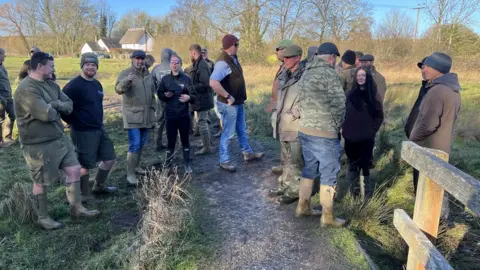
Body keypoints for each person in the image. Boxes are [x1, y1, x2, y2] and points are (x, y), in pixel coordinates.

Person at [14, 52, 100, 230]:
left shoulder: (50, 84)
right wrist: (55, 107)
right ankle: (43, 217)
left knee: (75, 169)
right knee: (41, 182)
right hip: (38, 144)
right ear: (40, 66)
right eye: (51, 66)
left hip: (59, 138)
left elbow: (68, 105)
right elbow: (46, 115)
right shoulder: (26, 90)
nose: (54, 69)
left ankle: (77, 208)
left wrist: (54, 104)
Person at [297, 42, 346, 228]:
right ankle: (327, 216)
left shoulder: (306, 72)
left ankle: (303, 206)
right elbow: (340, 104)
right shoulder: (329, 74)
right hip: (324, 133)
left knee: (309, 167)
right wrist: (337, 125)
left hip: (305, 130)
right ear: (332, 58)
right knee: (329, 171)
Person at [410, 52, 461, 220]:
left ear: (438, 69)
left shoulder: (437, 91)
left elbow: (428, 124)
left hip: (428, 149)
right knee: (436, 191)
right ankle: (439, 226)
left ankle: (425, 231)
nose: (423, 69)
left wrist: (412, 141)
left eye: (427, 66)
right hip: (441, 149)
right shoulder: (453, 90)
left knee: (425, 193)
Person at [62, 53, 117, 202]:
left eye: (93, 65)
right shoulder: (73, 86)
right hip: (82, 132)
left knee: (109, 158)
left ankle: (98, 186)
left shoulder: (97, 84)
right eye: (87, 64)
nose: (91, 67)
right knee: (84, 165)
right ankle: (85, 195)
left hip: (99, 128)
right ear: (82, 66)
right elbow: (63, 108)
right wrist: (74, 122)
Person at [209, 34, 264, 172]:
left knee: (241, 129)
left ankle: (248, 153)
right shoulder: (223, 62)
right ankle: (224, 160)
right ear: (230, 45)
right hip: (229, 105)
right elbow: (213, 82)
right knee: (228, 133)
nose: (238, 47)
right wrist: (227, 96)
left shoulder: (233, 59)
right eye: (236, 44)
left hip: (237, 103)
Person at [115, 50, 156, 185]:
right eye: (137, 58)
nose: (140, 61)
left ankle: (137, 166)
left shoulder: (147, 74)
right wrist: (127, 80)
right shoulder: (126, 73)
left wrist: (153, 111)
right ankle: (130, 173)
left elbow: (151, 93)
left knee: (142, 143)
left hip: (146, 115)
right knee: (135, 144)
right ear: (132, 59)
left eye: (142, 58)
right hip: (133, 116)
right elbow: (118, 89)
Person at [342, 68, 384, 200]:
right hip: (350, 137)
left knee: (365, 165)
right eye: (358, 75)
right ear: (355, 78)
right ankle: (353, 193)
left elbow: (379, 116)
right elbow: (342, 113)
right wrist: (345, 129)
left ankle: (366, 195)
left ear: (368, 78)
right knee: (352, 164)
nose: (360, 78)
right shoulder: (349, 95)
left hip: (366, 137)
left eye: (363, 75)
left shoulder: (373, 95)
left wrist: (372, 130)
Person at [158, 54, 196, 174]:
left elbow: (195, 96)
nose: (175, 64)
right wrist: (165, 95)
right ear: (170, 64)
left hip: (184, 115)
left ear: (180, 64)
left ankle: (187, 165)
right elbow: (159, 94)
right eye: (173, 62)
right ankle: (168, 166)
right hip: (170, 115)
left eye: (177, 62)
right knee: (171, 141)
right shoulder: (165, 79)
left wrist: (189, 97)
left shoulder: (186, 79)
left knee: (185, 140)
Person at [267, 39, 293, 174]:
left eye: (279, 49)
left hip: (286, 110)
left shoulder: (292, 67)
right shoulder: (283, 66)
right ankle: (284, 166)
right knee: (282, 138)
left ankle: (289, 169)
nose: (276, 52)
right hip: (279, 107)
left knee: (287, 139)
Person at [404, 57, 429, 193]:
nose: (422, 70)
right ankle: (418, 200)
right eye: (422, 68)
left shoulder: (435, 89)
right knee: (418, 176)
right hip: (417, 139)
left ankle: (438, 213)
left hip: (427, 142)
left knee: (429, 180)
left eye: (426, 67)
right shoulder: (424, 86)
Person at [187, 44, 214, 155]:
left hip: (203, 98)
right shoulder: (198, 63)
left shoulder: (201, 65)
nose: (190, 55)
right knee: (202, 122)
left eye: (190, 53)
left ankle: (207, 147)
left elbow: (205, 83)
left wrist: (191, 87)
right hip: (201, 98)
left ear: (193, 52)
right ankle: (206, 143)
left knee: (202, 122)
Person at [152, 48, 176, 151]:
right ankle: (175, 144)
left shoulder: (156, 69)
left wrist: (157, 93)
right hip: (174, 99)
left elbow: (151, 84)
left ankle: (157, 144)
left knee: (159, 121)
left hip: (161, 99)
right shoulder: (175, 66)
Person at [0, 48, 16, 147]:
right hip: (1, 97)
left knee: (13, 115)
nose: (5, 57)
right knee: (1, 119)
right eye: (3, 55)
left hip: (8, 96)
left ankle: (8, 136)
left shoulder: (2, 66)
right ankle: (0, 141)